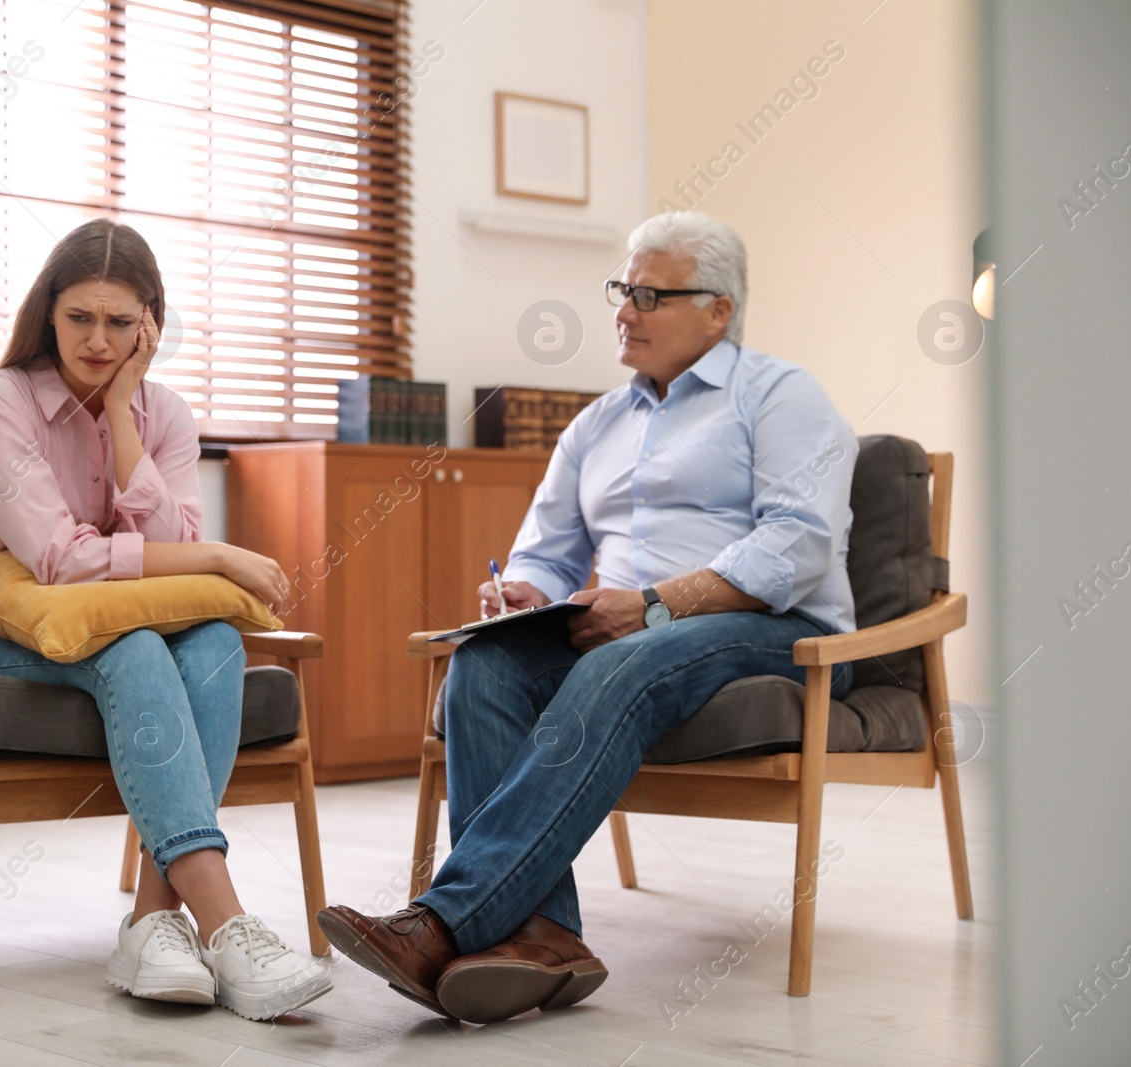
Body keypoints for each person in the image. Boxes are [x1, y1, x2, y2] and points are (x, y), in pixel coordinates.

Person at [318, 211, 859, 1024]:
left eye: (650, 294)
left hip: (782, 632)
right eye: (621, 289)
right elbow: (546, 552)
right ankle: (545, 939)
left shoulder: (780, 394)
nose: (624, 311)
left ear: (719, 309)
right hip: (630, 631)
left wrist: (654, 604)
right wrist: (525, 593)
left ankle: (444, 919)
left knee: (620, 660)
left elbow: (799, 544)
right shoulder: (597, 423)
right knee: (485, 664)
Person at [0, 218, 330, 1021]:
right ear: (48, 313)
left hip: (103, 638)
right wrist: (218, 559)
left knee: (212, 640)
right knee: (137, 642)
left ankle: (152, 920)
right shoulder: (2, 404)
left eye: (119, 322)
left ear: (150, 322)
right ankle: (224, 920)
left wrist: (119, 416)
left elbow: (167, 537)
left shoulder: (162, 413)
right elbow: (64, 560)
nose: (98, 340)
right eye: (79, 318)